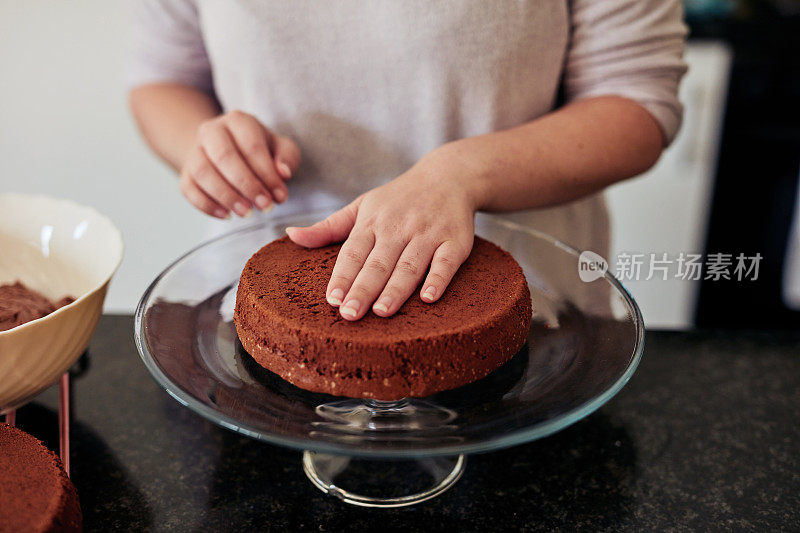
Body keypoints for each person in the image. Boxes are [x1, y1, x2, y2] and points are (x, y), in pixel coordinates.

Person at [128, 0, 687, 322]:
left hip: (529, 310)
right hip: (256, 302)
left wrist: (461, 175)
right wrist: (204, 146)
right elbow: (163, 79)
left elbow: (636, 104)